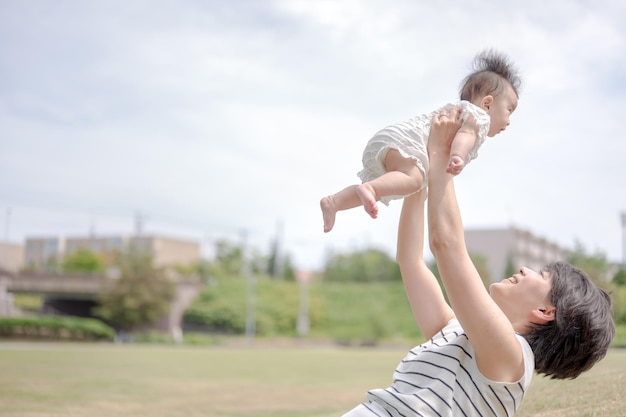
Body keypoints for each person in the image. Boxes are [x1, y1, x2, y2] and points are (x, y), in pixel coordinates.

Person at [340, 110, 615, 417]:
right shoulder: (455, 332)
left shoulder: (512, 361)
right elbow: (411, 261)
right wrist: (420, 181)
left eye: (541, 274)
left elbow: (447, 246)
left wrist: (441, 152)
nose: (525, 270)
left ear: (546, 311)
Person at [321, 49, 520, 233]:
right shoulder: (478, 117)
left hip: (390, 141)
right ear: (487, 103)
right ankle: (370, 189)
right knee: (411, 179)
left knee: (382, 187)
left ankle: (334, 202)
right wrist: (458, 155)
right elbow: (465, 135)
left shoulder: (460, 112)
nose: (509, 121)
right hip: (405, 142)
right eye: (509, 110)